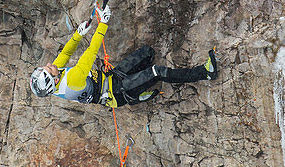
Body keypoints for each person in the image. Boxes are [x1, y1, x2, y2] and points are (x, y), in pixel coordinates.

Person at [29, 6, 217, 108]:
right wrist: (103, 24)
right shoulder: (71, 80)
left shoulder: (55, 78)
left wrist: (79, 34)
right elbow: (91, 52)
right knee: (157, 72)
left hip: (112, 78)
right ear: (53, 80)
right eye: (48, 69)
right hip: (117, 92)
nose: (49, 64)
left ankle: (138, 90)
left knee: (147, 53)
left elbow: (66, 53)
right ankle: (205, 72)